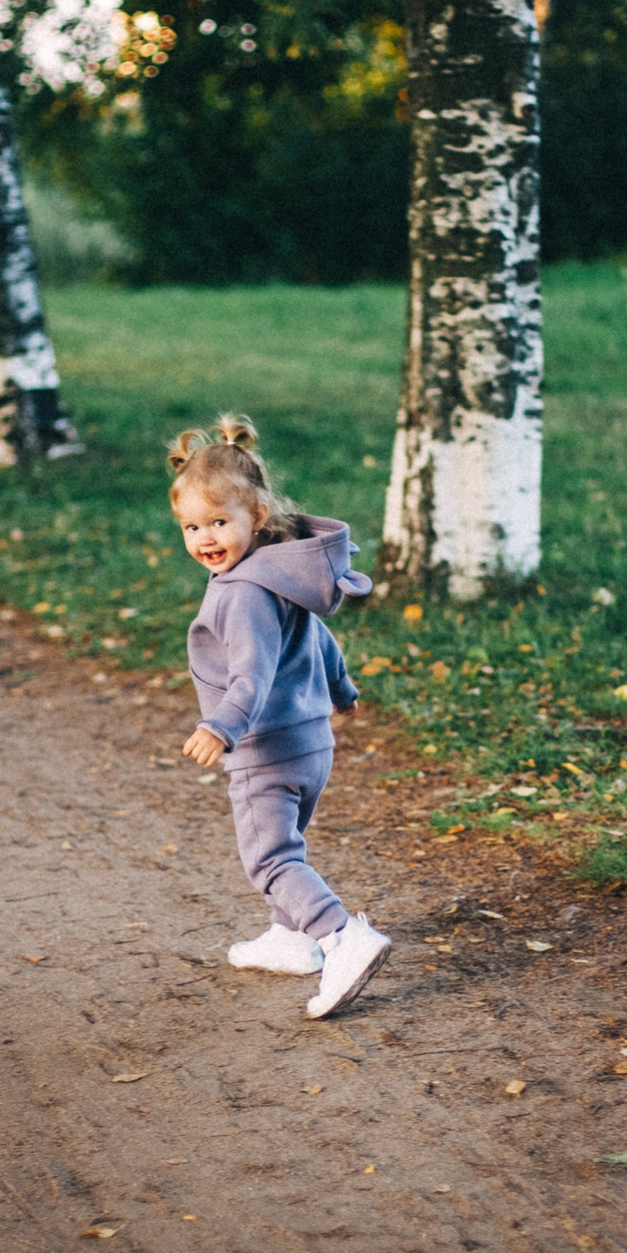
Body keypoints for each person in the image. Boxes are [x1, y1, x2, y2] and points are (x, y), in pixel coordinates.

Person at [171, 416, 384, 1018]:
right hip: (311, 743)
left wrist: (221, 726)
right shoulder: (277, 573)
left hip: (265, 748)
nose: (205, 538)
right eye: (192, 526)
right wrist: (341, 687)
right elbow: (318, 639)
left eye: (220, 522)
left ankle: (341, 937)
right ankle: (289, 939)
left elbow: (252, 674)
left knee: (270, 858)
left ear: (256, 516)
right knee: (285, 842)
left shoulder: (240, 592)